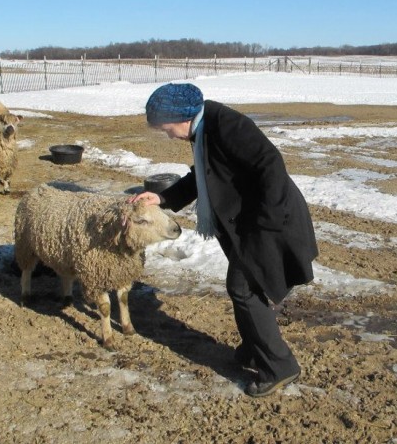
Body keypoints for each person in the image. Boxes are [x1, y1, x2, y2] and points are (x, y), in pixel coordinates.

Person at [129, 82, 318, 398]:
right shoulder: (202, 129)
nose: (168, 134)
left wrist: (264, 224)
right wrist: (162, 198)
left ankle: (280, 366)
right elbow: (200, 176)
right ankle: (257, 346)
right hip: (242, 223)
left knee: (242, 287)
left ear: (181, 116)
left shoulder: (226, 124)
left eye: (166, 128)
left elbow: (270, 163)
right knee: (248, 287)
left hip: (265, 221)